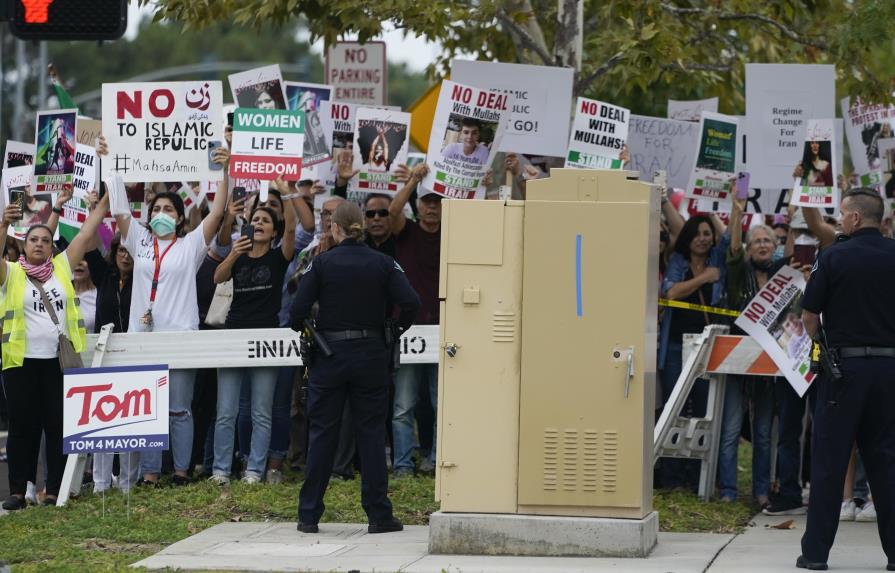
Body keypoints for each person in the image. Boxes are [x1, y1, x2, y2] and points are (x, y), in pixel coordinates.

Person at [291, 201, 420, 534]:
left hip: (329, 356)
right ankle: (378, 515)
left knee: (322, 434)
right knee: (372, 434)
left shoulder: (321, 264)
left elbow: (295, 313)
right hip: (372, 355)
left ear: (334, 228)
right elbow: (411, 303)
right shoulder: (384, 263)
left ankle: (308, 515)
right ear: (361, 226)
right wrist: (393, 330)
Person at [109, 138, 228, 486]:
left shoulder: (190, 245)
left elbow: (218, 212)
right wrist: (109, 161)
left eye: (169, 211)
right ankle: (149, 473)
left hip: (181, 335)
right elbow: (118, 210)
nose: (162, 214)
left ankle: (179, 471)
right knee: (147, 407)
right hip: (143, 337)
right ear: (149, 216)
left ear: (179, 219)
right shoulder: (140, 240)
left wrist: (224, 169)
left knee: (179, 409)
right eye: (157, 210)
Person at [796, 188, 895, 570]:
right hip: (888, 372)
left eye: (841, 215)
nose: (839, 221)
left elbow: (809, 316)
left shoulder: (834, 256)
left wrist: (824, 347)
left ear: (854, 218)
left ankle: (815, 555)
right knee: (886, 463)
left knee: (829, 463)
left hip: (844, 372)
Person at [0, 192, 109, 510]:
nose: (38, 244)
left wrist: (102, 201)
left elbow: (88, 232)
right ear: (24, 244)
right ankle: (19, 491)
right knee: (23, 426)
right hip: (20, 362)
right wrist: (5, 223)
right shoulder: (11, 273)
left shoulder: (62, 267)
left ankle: (54, 491)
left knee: (57, 425)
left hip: (58, 363)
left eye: (45, 241)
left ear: (52, 247)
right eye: (33, 239)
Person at [210, 200, 296, 485]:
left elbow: (293, 227)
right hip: (234, 337)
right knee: (226, 410)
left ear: (274, 232)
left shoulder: (278, 257)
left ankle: (254, 472)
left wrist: (288, 193)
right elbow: (217, 277)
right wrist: (235, 253)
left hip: (265, 339)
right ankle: (221, 471)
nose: (258, 224)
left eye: (265, 221)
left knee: (261, 411)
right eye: (255, 220)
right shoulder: (239, 255)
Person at [718, 198, 792, 505]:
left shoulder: (781, 276)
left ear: (774, 246)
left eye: (768, 241)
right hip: (736, 359)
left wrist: (794, 214)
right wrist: (737, 213)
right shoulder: (739, 273)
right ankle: (729, 492)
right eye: (757, 241)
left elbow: (791, 255)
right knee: (731, 429)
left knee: (763, 433)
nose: (762, 245)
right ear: (750, 248)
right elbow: (732, 253)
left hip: (769, 364)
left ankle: (761, 491)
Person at [658, 213, 728, 490]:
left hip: (709, 348)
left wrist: (723, 210)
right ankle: (671, 477)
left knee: (702, 411)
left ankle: (698, 477)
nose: (702, 238)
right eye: (697, 233)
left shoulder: (718, 261)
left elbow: (731, 241)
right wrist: (704, 279)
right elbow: (671, 293)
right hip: (675, 347)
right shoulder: (677, 262)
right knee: (674, 410)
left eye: (707, 233)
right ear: (687, 237)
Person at [388, 163, 440, 477]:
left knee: (440, 404)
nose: (432, 207)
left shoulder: (456, 230)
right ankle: (405, 465)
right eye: (427, 201)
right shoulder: (406, 232)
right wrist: (412, 181)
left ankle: (435, 460)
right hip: (409, 329)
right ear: (418, 205)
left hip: (444, 329)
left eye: (438, 202)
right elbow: (393, 213)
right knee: (403, 405)